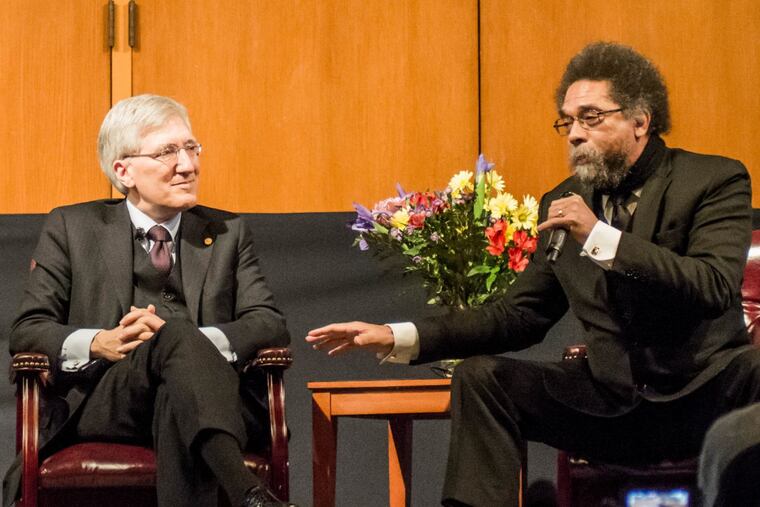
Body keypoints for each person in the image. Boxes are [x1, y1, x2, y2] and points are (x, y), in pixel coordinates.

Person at [306, 42, 758, 507]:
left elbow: (714, 285)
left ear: (640, 121)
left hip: (706, 397)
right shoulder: (563, 201)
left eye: (591, 117)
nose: (574, 134)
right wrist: (397, 335)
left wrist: (599, 236)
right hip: (611, 405)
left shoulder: (712, 180)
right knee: (482, 378)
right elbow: (520, 316)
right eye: (568, 121)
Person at [3, 95, 296, 507]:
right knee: (175, 342)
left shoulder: (228, 232)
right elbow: (28, 330)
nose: (188, 165)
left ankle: (250, 495)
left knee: (176, 379)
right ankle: (248, 492)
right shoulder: (72, 227)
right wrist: (98, 341)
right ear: (124, 170)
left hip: (209, 397)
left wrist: (190, 346)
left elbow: (268, 322)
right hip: (108, 398)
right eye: (167, 152)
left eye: (191, 148)